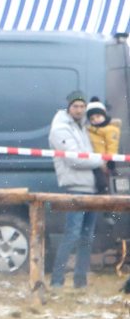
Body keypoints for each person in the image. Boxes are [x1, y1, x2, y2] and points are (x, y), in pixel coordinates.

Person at [49, 90, 103, 289]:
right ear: (69, 107)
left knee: (87, 237)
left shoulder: (81, 126)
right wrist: (100, 161)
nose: (79, 110)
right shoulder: (61, 128)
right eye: (76, 106)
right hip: (74, 187)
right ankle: (57, 280)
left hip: (90, 187)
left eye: (82, 106)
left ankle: (80, 281)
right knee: (71, 235)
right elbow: (73, 158)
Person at [85, 97, 121, 194]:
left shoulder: (111, 129)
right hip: (93, 161)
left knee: (104, 184)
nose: (95, 120)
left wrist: (110, 160)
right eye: (92, 118)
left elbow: (112, 146)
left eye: (98, 116)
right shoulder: (89, 130)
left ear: (104, 115)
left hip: (104, 162)